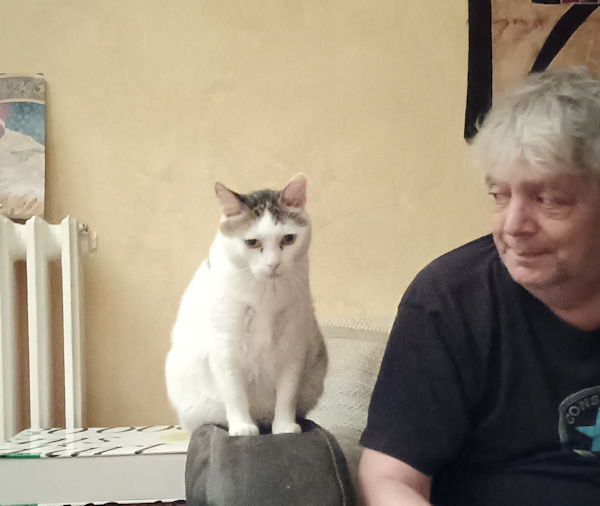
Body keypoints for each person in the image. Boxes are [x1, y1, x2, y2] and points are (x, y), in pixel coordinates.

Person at [358, 66, 600, 505]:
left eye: (548, 199)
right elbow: (390, 480)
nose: (513, 226)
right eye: (499, 195)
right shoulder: (448, 301)